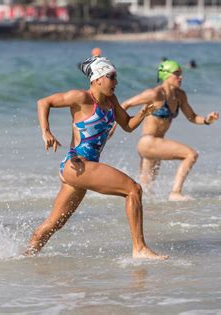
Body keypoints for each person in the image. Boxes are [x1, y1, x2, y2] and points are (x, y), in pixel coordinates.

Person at [26, 56, 167, 260]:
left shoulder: (111, 101)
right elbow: (43, 102)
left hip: (82, 170)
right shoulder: (81, 97)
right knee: (133, 190)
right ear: (97, 78)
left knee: (55, 223)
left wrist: (143, 113)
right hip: (78, 165)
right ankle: (139, 248)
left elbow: (127, 125)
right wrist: (46, 131)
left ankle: (26, 256)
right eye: (112, 77)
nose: (116, 82)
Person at [120, 60, 219, 201]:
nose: (181, 77)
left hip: (157, 146)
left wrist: (207, 120)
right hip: (148, 142)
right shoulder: (155, 94)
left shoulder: (180, 95)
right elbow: (126, 104)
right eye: (177, 74)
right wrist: (113, 126)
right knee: (191, 154)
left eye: (181, 74)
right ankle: (175, 193)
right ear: (166, 75)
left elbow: (192, 116)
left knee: (145, 192)